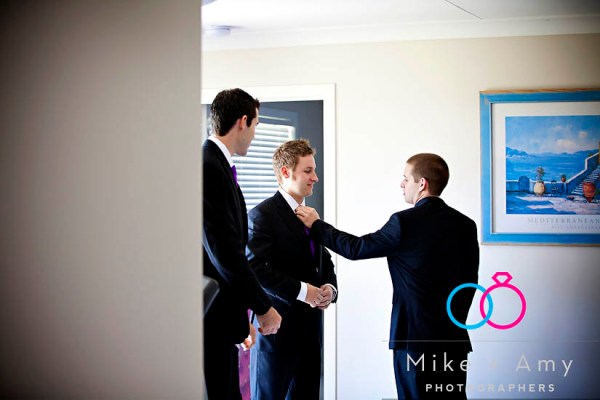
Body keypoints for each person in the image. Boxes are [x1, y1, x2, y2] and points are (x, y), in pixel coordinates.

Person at [296, 153, 479, 399]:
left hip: (414, 342)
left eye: (406, 178)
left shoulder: (404, 223)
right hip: (454, 341)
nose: (402, 184)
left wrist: (317, 225)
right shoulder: (466, 225)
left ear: (422, 183)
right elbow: (470, 284)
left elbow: (356, 248)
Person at [203, 88, 282, 400]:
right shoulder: (208, 168)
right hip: (210, 316)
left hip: (221, 315)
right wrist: (263, 307)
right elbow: (223, 252)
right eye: (256, 125)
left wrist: (241, 317)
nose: (254, 133)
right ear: (243, 121)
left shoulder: (217, 166)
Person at [247, 139, 338, 400]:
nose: (315, 178)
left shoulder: (309, 215)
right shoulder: (261, 215)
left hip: (310, 336)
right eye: (308, 171)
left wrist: (329, 289)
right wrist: (304, 292)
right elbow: (255, 269)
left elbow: (323, 260)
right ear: (286, 172)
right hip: (276, 338)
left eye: (314, 170)